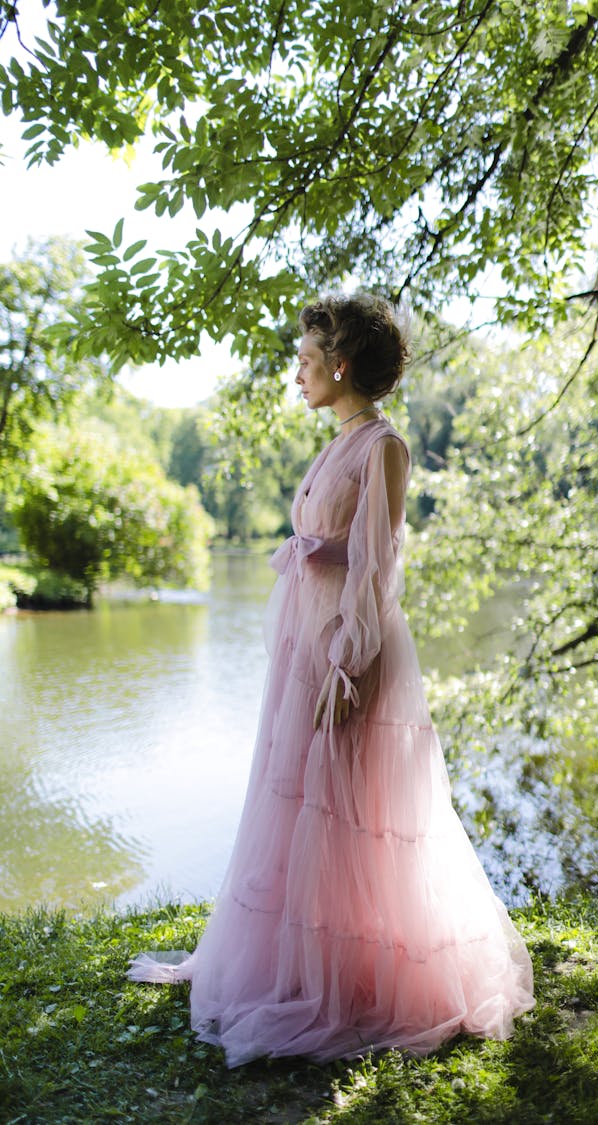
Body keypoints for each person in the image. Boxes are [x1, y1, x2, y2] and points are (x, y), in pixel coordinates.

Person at [127, 292, 534, 1066]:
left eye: (306, 360)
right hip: (303, 646)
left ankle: (356, 976)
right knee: (299, 800)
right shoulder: (335, 441)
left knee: (352, 808)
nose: (297, 373)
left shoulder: (383, 447)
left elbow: (378, 569)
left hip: (349, 651)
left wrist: (348, 664)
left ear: (340, 364)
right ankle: (298, 959)